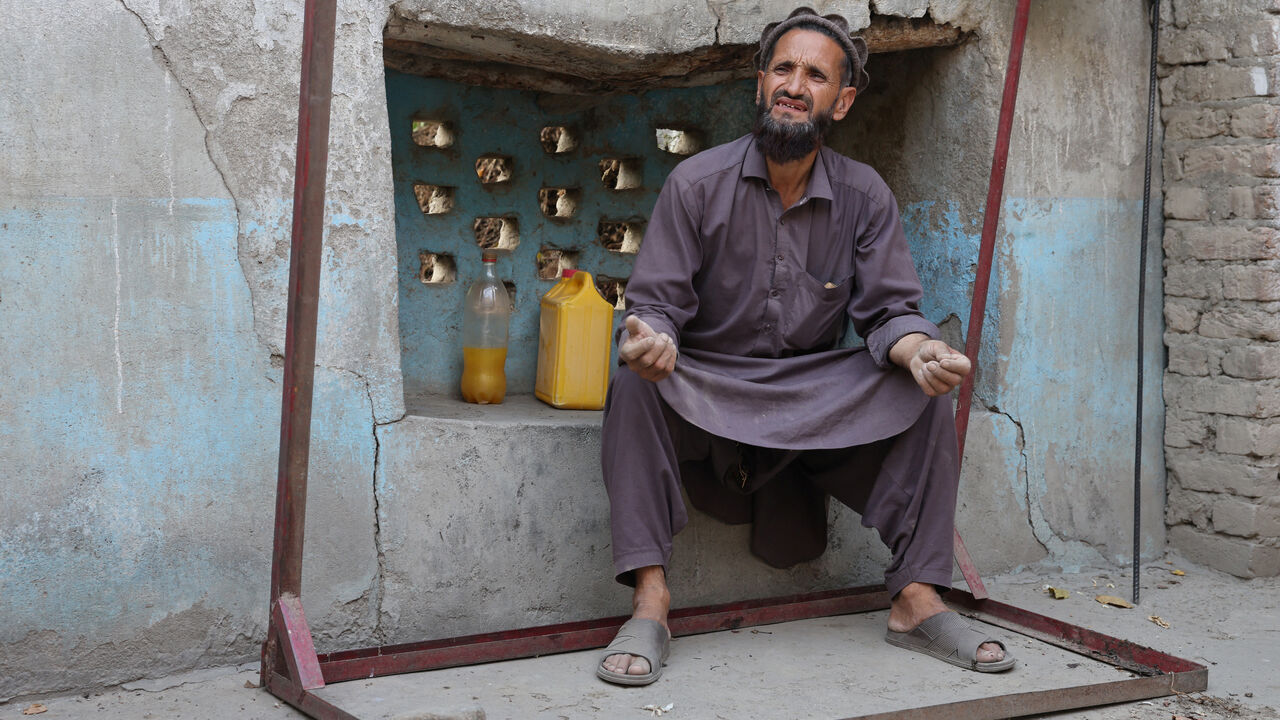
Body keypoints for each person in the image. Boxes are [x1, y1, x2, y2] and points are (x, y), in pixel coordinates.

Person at [594, 7, 1016, 686]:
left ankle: (916, 596)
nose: (795, 85)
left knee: (925, 387)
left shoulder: (865, 195)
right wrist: (655, 341)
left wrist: (917, 350)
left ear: (841, 101)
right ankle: (651, 598)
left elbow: (889, 311)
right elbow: (658, 307)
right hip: (710, 388)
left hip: (815, 397)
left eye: (815, 75)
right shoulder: (695, 184)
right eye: (783, 69)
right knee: (634, 381)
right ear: (760, 84)